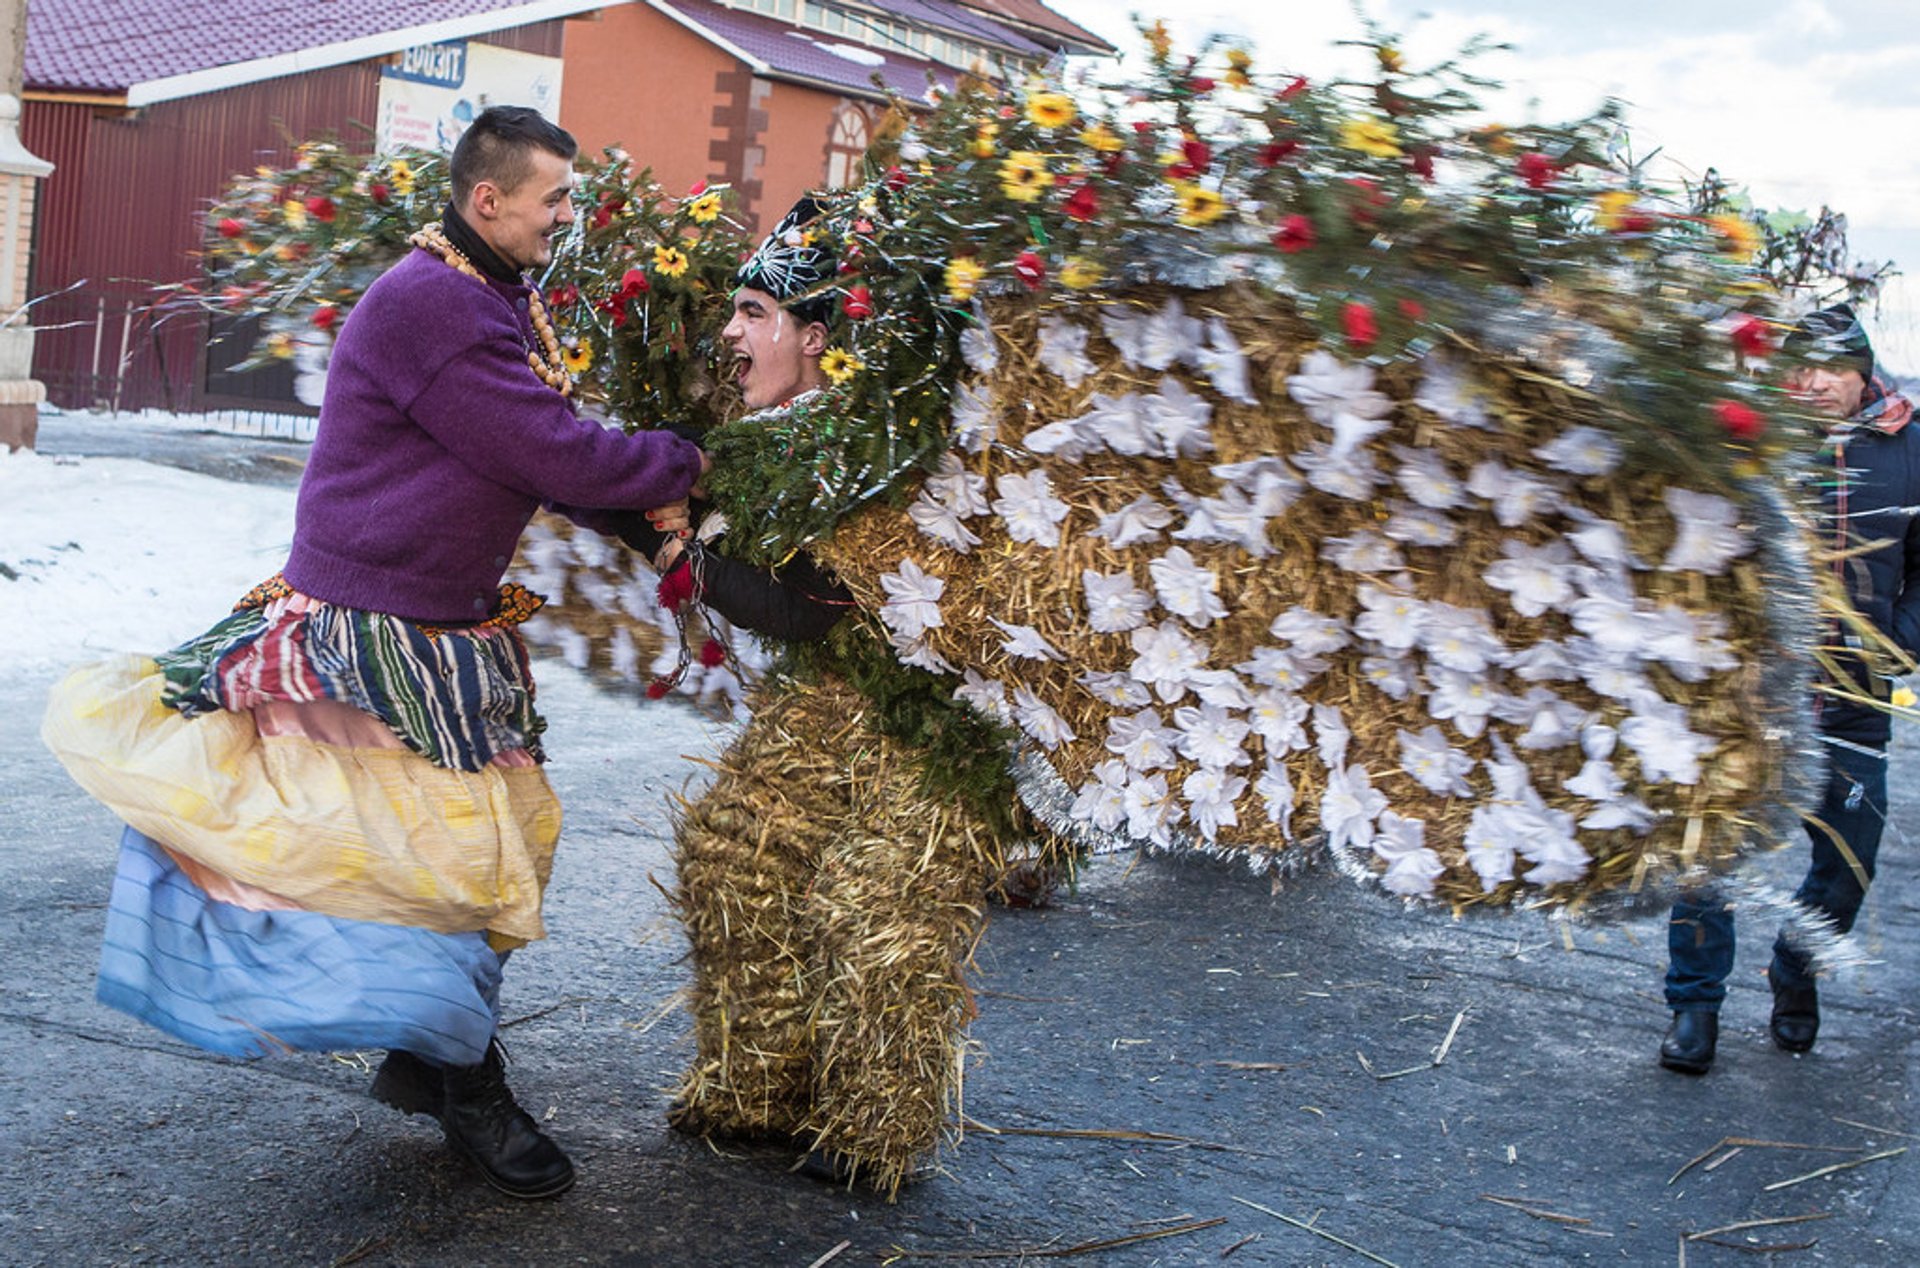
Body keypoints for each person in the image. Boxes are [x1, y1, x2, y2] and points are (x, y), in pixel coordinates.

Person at [41, 105, 707, 1198]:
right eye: (554, 198)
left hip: (440, 622)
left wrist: (643, 506)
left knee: (469, 849)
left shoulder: (486, 288)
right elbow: (542, 445)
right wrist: (684, 459)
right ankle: (462, 1079)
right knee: (447, 860)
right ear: (487, 199)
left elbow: (527, 455)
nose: (566, 218)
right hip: (375, 639)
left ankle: (428, 1051)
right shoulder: (435, 305)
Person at [610, 198, 1020, 1195]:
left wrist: (668, 544)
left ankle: (873, 1122)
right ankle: (755, 1087)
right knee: (731, 852)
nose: (732, 333)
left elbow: (815, 613)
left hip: (930, 725)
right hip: (823, 708)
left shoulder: (869, 446)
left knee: (869, 901)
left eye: (753, 312)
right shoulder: (757, 439)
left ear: (814, 336)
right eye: (734, 312)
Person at [1659, 304, 1919, 1074]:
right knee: (1709, 851)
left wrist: (1898, 641)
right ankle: (1693, 1006)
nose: (1812, 385)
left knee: (1850, 856)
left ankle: (1795, 968)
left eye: (1832, 370)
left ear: (1864, 371)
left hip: (1850, 697)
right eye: (1797, 369)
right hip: (1742, 690)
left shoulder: (1910, 449)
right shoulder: (1748, 441)